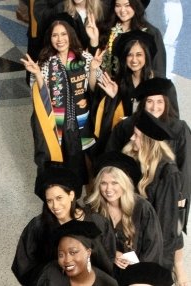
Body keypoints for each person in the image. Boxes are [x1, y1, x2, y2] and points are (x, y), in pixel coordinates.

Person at [21, 13, 98, 184]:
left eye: (63, 34)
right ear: (50, 38)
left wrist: (93, 69)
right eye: (55, 35)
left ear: (70, 35)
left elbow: (93, 89)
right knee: (61, 169)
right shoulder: (45, 62)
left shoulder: (84, 58)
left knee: (85, 169)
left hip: (82, 124)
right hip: (58, 125)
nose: (60, 39)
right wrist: (38, 75)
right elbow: (42, 99)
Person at [106, 77, 190, 233]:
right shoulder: (128, 126)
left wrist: (181, 197)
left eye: (160, 102)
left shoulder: (179, 128)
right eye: (150, 101)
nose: (154, 107)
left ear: (167, 103)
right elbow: (111, 157)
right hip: (137, 192)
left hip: (171, 193)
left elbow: (186, 166)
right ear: (143, 103)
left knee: (171, 236)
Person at [12, 163, 115, 285]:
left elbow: (109, 258)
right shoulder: (38, 226)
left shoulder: (97, 222)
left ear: (71, 195)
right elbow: (24, 265)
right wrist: (51, 274)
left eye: (59, 198)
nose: (55, 206)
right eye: (49, 201)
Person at [122, 110, 187, 283]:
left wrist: (166, 266)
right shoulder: (134, 161)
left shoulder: (167, 173)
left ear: (148, 142)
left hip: (155, 250)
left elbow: (168, 225)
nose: (131, 139)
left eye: (136, 136)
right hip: (133, 243)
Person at [86, 151, 164, 278]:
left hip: (138, 274)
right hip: (103, 275)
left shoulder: (142, 208)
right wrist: (112, 255)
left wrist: (141, 276)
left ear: (124, 183)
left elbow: (153, 248)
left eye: (114, 183)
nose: (108, 189)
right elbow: (86, 245)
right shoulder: (92, 209)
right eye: (103, 183)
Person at [96, 0, 165, 77]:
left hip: (141, 86)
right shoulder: (107, 30)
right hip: (110, 85)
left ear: (136, 5)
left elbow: (159, 69)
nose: (122, 10)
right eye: (118, 5)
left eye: (127, 5)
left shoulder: (151, 33)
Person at [37, 220, 117, 286]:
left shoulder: (107, 283)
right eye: (61, 255)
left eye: (73, 252)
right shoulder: (50, 275)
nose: (67, 260)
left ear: (88, 252)